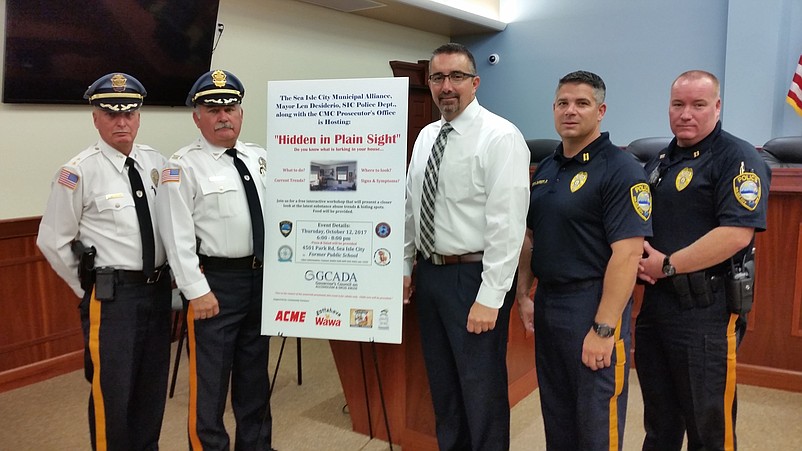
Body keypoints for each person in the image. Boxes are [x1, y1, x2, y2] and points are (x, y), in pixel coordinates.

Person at [402, 43, 530, 450]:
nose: (447, 86)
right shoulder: (426, 136)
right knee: (443, 386)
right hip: (432, 274)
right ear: (429, 83)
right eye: (438, 77)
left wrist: (491, 297)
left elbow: (508, 226)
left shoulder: (500, 136)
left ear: (475, 83)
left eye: (457, 77)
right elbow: (411, 205)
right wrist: (406, 267)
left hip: (474, 278)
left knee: (481, 390)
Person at [515, 70, 651, 450]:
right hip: (550, 304)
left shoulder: (621, 169)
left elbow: (627, 254)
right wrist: (525, 294)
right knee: (557, 415)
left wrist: (604, 329)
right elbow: (531, 237)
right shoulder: (546, 168)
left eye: (581, 103)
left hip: (593, 304)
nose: (570, 111)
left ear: (601, 110)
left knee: (596, 422)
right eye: (563, 103)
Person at [636, 70, 771, 451]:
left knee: (708, 425)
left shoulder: (737, 157)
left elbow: (736, 233)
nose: (686, 114)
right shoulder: (661, 161)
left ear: (717, 106)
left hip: (706, 312)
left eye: (698, 105)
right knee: (659, 423)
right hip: (658, 308)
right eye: (678, 104)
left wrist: (667, 264)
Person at [37, 73, 172, 450]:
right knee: (112, 392)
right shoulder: (78, 171)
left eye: (130, 113)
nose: (122, 121)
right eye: (111, 113)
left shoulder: (156, 163)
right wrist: (90, 287)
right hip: (113, 300)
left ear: (139, 116)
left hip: (157, 291)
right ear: (95, 117)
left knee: (151, 388)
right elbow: (52, 240)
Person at [156, 70, 273, 450]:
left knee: (255, 380)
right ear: (197, 116)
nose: (224, 115)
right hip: (215, 288)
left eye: (232, 106)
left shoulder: (260, 158)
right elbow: (176, 237)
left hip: (260, 282)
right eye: (213, 108)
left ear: (241, 112)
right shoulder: (182, 166)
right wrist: (196, 291)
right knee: (210, 385)